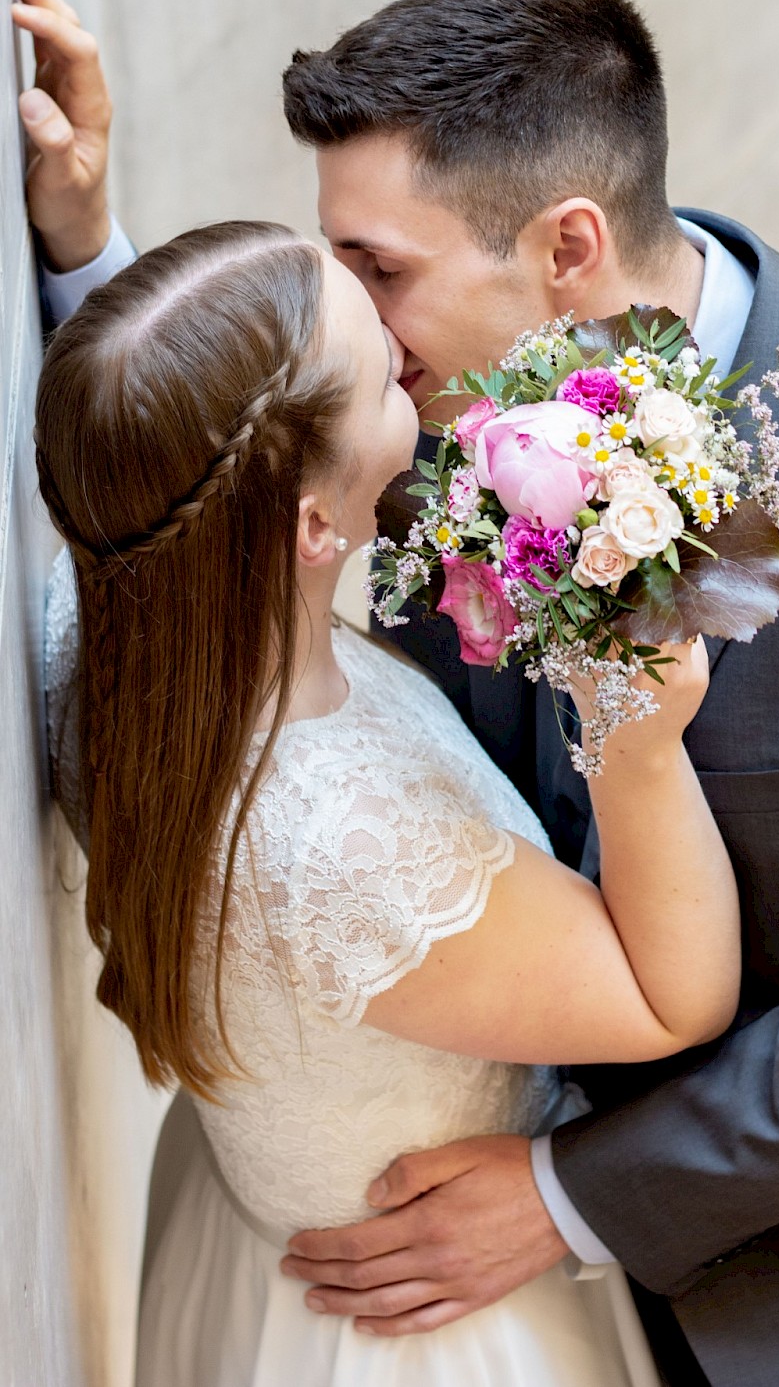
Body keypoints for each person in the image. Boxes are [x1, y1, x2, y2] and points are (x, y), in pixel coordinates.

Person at [15, 0, 779, 1387]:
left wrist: (566, 1198)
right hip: (410, 1253)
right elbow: (246, 479)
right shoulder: (415, 393)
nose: (346, 314)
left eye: (376, 270)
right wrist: (87, 253)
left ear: (566, 250)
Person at [37, 214, 740, 1386]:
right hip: (425, 1330)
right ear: (314, 525)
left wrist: (82, 251)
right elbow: (673, 1001)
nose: (409, 360)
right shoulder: (347, 845)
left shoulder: (104, 624)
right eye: (378, 372)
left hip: (248, 1233)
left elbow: (161, 442)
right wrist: (641, 738)